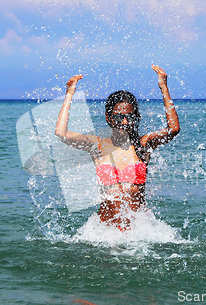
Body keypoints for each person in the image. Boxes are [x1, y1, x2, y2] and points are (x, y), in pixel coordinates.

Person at [55, 64, 180, 231]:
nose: (125, 122)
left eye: (130, 117)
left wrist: (163, 87)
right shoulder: (98, 146)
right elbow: (61, 133)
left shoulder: (143, 144)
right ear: (108, 117)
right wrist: (69, 94)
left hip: (139, 232)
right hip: (105, 232)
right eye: (119, 117)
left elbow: (173, 129)